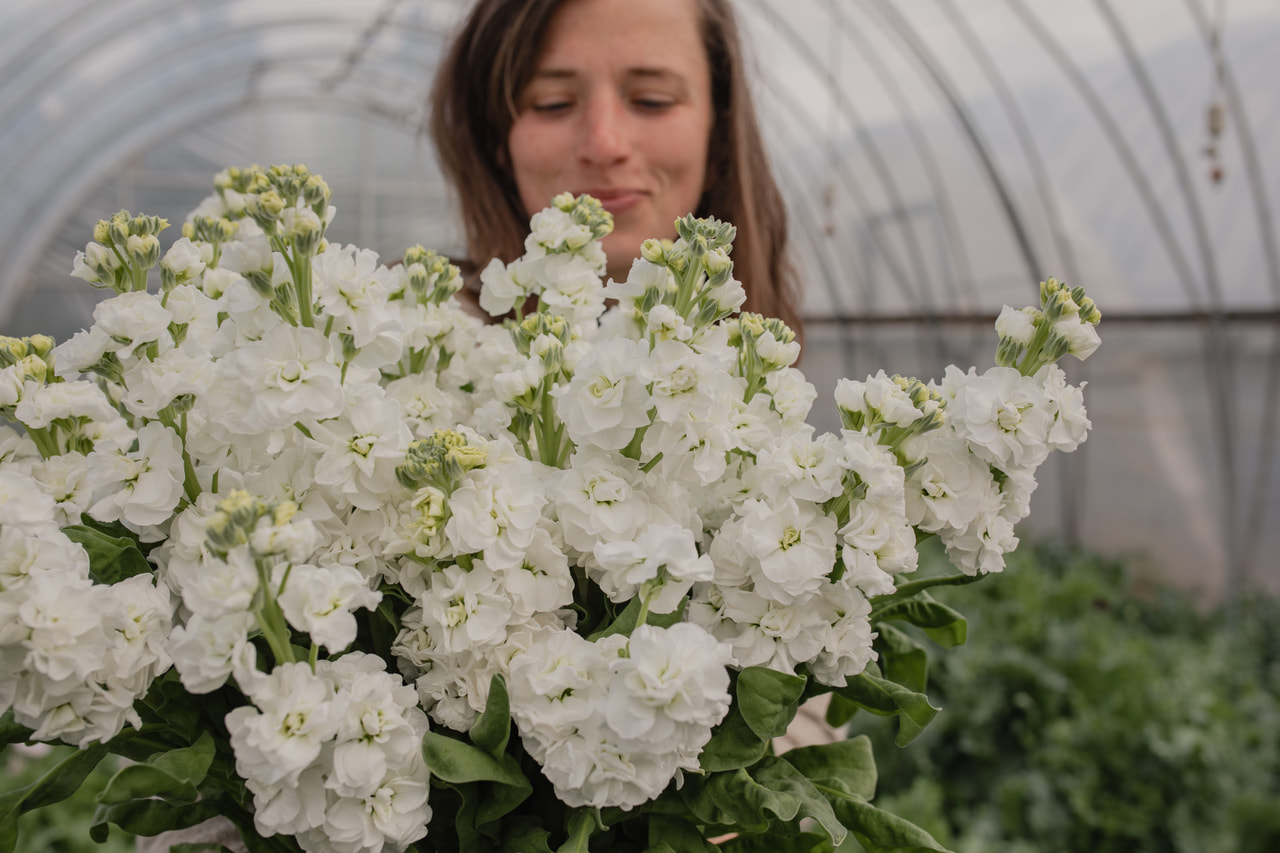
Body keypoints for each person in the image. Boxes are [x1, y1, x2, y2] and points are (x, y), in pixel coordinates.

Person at [429, 0, 804, 341]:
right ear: (496, 140)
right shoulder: (427, 333)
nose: (604, 145)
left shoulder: (758, 365)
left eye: (651, 100)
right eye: (553, 104)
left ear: (719, 138)